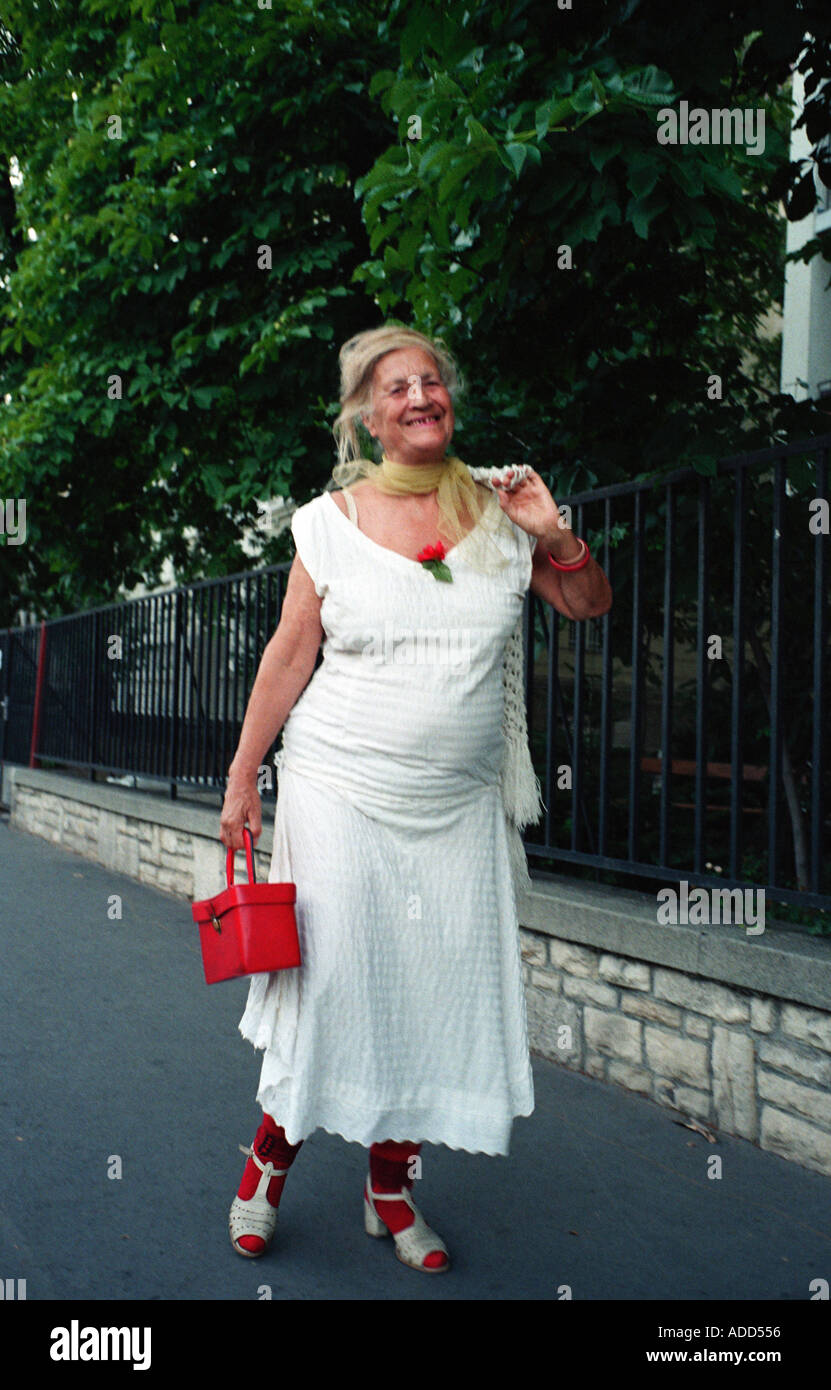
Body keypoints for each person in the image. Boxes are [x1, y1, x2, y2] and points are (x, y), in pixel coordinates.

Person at [219, 324, 612, 1273]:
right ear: (366, 414)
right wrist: (242, 777)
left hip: (457, 806)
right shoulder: (328, 522)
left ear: (449, 402)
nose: (419, 396)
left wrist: (552, 534)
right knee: (335, 987)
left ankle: (389, 1187)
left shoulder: (499, 506)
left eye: (431, 381)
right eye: (395, 387)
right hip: (340, 788)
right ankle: (265, 1170)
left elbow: (587, 604)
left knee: (436, 994)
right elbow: (289, 654)